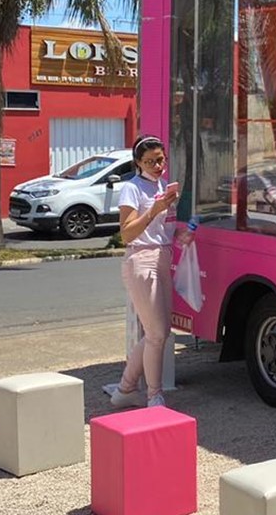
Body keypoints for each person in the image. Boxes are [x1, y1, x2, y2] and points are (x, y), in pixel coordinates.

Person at [111, 134, 180, 408]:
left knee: (158, 332)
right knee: (157, 333)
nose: (157, 166)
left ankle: (126, 388)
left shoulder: (162, 185)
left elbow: (165, 227)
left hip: (163, 256)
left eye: (161, 160)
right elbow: (126, 233)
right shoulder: (133, 188)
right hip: (141, 259)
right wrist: (154, 210)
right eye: (150, 161)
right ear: (138, 162)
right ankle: (153, 394)